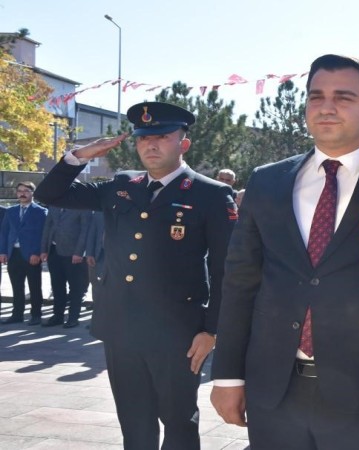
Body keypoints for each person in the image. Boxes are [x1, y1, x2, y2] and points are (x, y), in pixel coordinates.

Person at [210, 54, 359, 449]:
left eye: (343, 97)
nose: (326, 107)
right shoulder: (268, 181)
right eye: (315, 96)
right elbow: (239, 282)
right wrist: (227, 376)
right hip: (272, 392)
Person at [34, 101, 237, 450]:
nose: (151, 145)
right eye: (144, 138)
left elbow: (226, 269)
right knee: (134, 423)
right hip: (121, 327)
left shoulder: (211, 193)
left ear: (184, 144)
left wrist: (212, 330)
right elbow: (48, 194)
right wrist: (80, 155)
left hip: (178, 332)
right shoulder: (122, 185)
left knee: (179, 422)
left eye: (162, 137)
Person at [0, 182, 47, 325]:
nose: (22, 193)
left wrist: (37, 252)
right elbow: (4, 233)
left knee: (34, 286)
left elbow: (42, 234)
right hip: (13, 254)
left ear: (32, 193)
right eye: (20, 191)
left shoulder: (41, 211)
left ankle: (36, 315)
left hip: (31, 254)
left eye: (26, 191)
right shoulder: (10, 211)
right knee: (17, 286)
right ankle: (17, 314)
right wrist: (3, 252)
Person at [39, 206, 92, 328]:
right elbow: (47, 227)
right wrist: (44, 249)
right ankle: (58, 316)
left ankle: (73, 317)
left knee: (76, 288)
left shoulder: (82, 207)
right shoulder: (54, 206)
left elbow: (85, 231)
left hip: (73, 254)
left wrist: (79, 252)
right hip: (54, 252)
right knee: (57, 286)